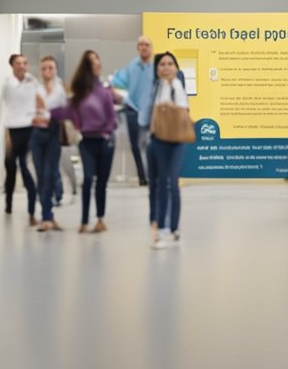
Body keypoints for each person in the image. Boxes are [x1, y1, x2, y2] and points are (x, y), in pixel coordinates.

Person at [53, 50, 117, 234]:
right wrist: (46, 112)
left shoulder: (104, 92)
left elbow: (111, 118)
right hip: (87, 142)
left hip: (106, 143)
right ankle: (83, 221)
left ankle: (100, 220)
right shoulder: (79, 93)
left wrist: (105, 132)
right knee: (88, 179)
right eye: (92, 62)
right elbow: (66, 111)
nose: (97, 64)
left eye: (98, 60)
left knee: (102, 183)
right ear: (87, 67)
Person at [146, 52, 190, 249]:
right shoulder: (154, 88)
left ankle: (174, 226)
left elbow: (182, 111)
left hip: (177, 140)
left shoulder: (179, 87)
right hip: (158, 139)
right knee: (161, 182)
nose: (166, 67)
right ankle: (161, 227)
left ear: (176, 68)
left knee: (173, 181)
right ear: (157, 69)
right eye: (162, 64)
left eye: (170, 64)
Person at [0, 54, 39, 225]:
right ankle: (8, 203)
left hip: (29, 130)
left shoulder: (33, 82)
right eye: (18, 63)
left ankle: (31, 210)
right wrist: (7, 134)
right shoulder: (7, 85)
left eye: (24, 63)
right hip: (12, 131)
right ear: (12, 66)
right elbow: (4, 110)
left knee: (26, 167)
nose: (22, 66)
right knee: (10, 168)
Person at [31, 55, 68, 232]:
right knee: (40, 174)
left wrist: (52, 113)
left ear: (55, 70)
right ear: (40, 70)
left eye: (51, 68)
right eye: (44, 68)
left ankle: (47, 215)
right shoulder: (34, 89)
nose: (47, 72)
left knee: (49, 173)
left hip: (53, 134)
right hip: (37, 135)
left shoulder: (60, 90)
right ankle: (47, 216)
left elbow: (66, 113)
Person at [114, 36, 156, 186]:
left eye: (146, 44)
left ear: (151, 48)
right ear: (137, 48)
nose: (143, 47)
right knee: (136, 146)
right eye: (140, 45)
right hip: (132, 110)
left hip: (149, 112)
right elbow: (120, 86)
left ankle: (151, 175)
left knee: (150, 145)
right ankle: (142, 177)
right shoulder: (131, 67)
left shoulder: (155, 69)